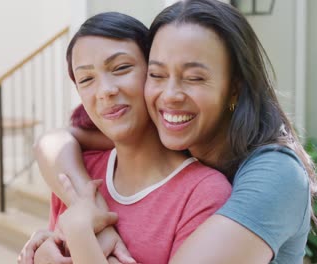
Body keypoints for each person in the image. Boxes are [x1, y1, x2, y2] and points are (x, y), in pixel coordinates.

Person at [22, 0, 317, 263]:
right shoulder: (178, 138)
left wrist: (80, 236)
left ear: (235, 88)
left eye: (194, 77)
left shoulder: (275, 173)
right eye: (157, 74)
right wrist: (80, 212)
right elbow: (56, 141)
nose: (169, 95)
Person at [18, 11, 231, 264]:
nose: (105, 91)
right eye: (86, 79)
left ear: (155, 73)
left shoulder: (203, 193)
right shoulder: (79, 172)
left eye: (121, 68)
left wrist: (79, 233)